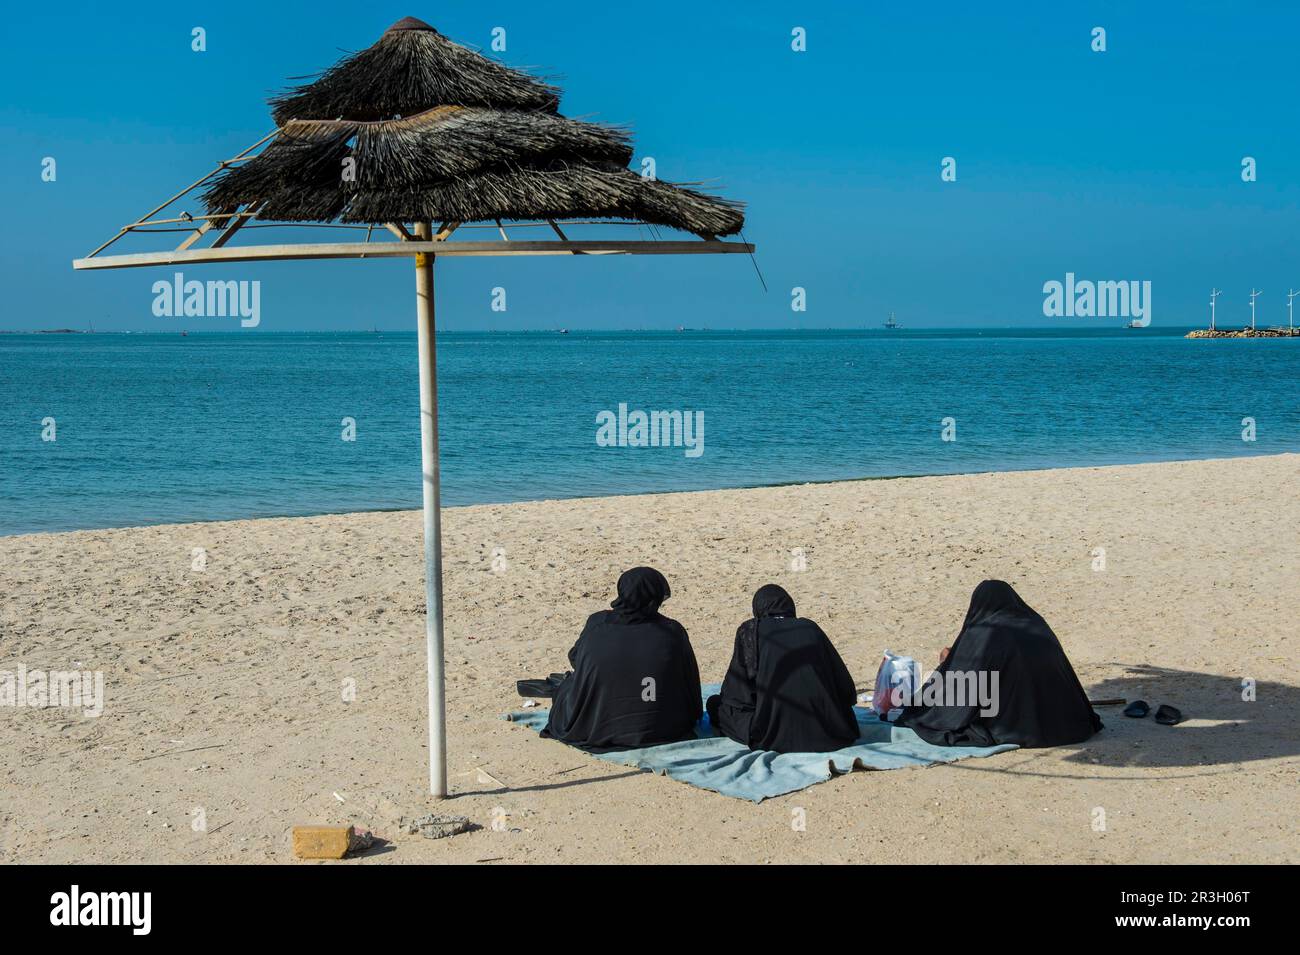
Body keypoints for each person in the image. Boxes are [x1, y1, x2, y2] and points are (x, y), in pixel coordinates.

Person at [894, 580, 1102, 747]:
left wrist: (947, 666)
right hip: (1070, 723)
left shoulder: (986, 631)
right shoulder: (1036, 623)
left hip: (1023, 725)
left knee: (931, 706)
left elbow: (965, 690)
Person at [542, 567, 702, 749]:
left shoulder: (598, 622)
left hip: (596, 726)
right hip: (664, 728)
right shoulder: (672, 631)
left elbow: (577, 659)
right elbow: (689, 680)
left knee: (568, 687)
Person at [707, 584, 859, 753]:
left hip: (771, 736)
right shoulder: (810, 627)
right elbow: (845, 689)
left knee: (715, 705)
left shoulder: (750, 630)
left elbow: (737, 693)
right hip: (830, 732)